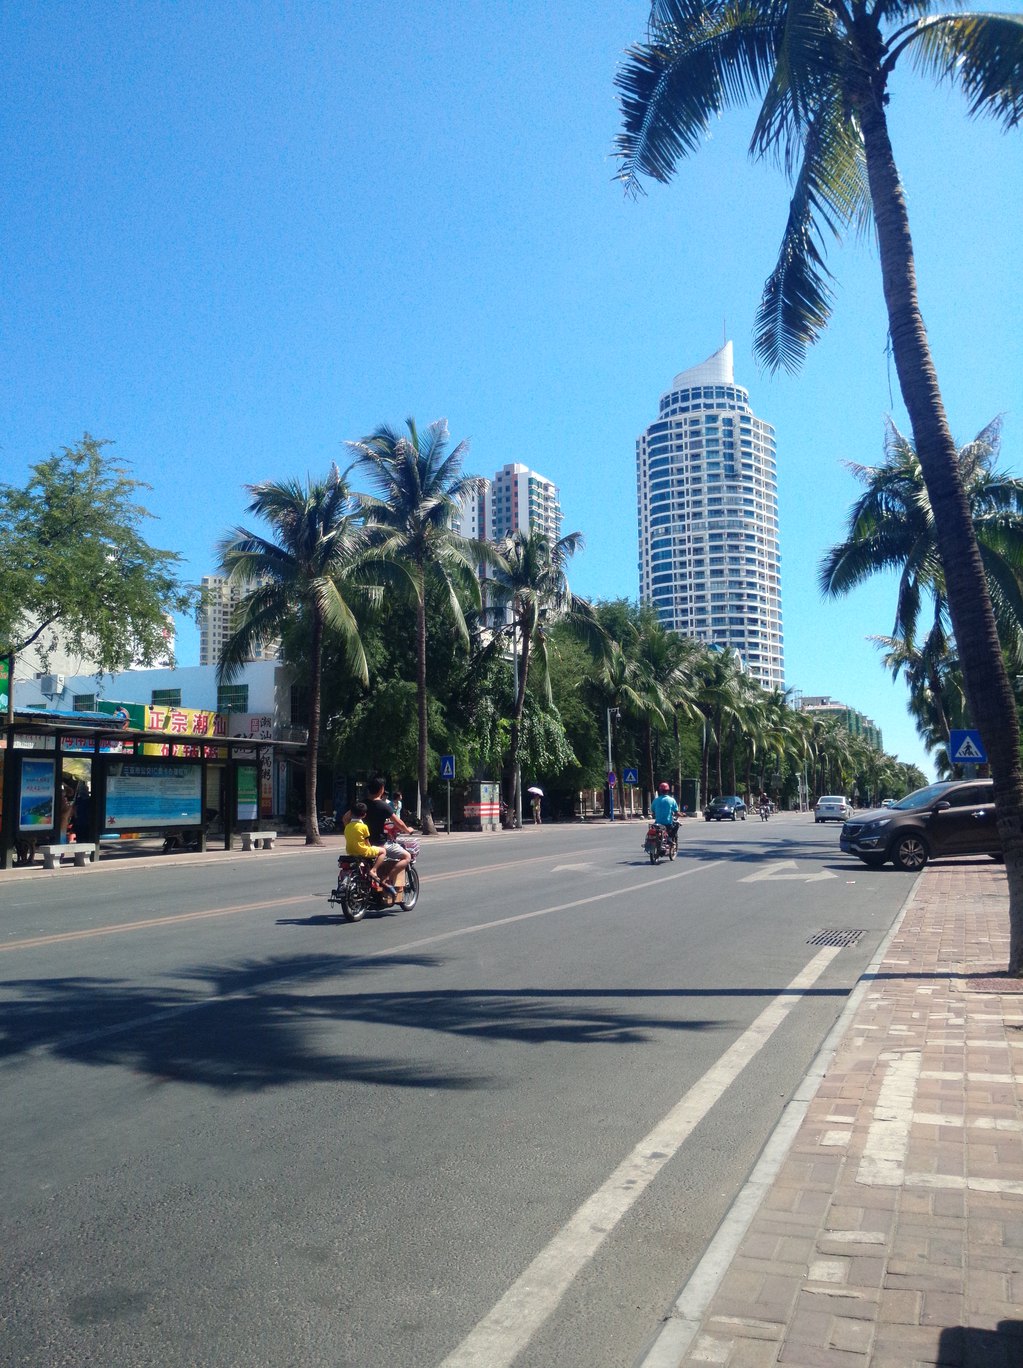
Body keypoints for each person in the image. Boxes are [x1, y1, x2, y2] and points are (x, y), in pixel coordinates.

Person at [345, 776, 412, 889]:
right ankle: (387, 880)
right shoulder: (384, 806)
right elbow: (398, 822)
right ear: (381, 789)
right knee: (407, 856)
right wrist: (408, 830)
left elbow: (345, 818)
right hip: (380, 844)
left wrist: (354, 830)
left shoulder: (361, 805)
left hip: (361, 844)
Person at [343, 802, 394, 893]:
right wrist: (371, 849)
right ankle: (373, 870)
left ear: (351, 814)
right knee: (383, 851)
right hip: (363, 851)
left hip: (350, 851)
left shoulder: (347, 826)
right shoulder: (363, 826)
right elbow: (367, 842)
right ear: (364, 815)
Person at [651, 781, 680, 849]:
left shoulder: (656, 800)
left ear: (660, 791)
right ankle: (669, 839)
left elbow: (652, 810)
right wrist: (682, 814)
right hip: (667, 823)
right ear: (667, 790)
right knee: (677, 824)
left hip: (658, 823)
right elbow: (676, 811)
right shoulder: (671, 800)